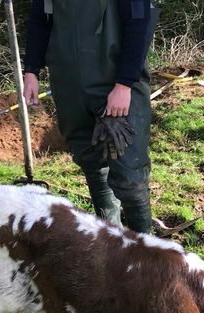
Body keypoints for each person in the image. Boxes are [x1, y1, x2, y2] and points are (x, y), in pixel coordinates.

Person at [23, 0, 157, 233]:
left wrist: (124, 85)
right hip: (69, 85)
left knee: (130, 172)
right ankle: (111, 239)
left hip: (116, 83)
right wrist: (31, 70)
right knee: (91, 159)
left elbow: (140, 22)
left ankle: (146, 249)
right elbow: (39, 21)